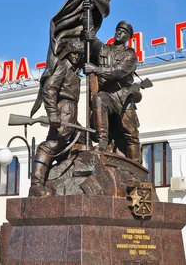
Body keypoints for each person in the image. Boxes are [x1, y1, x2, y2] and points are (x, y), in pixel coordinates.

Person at [29, 39, 85, 197]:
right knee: (52, 145)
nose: (76, 57)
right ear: (68, 52)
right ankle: (36, 184)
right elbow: (49, 89)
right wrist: (52, 113)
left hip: (72, 111)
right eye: (73, 53)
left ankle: (60, 174)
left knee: (83, 139)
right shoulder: (62, 67)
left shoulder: (74, 72)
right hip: (64, 109)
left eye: (79, 54)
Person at [84, 20, 142, 164]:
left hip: (124, 96)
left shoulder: (131, 56)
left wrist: (97, 70)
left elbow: (119, 72)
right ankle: (103, 142)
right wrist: (88, 23)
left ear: (128, 37)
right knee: (98, 99)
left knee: (131, 133)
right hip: (108, 94)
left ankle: (136, 163)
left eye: (123, 32)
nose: (119, 33)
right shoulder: (105, 49)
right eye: (118, 30)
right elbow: (94, 42)